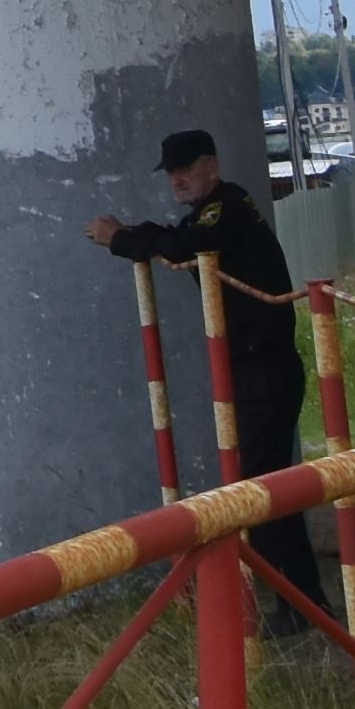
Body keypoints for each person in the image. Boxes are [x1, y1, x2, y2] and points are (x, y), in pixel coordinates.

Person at [90, 128, 320, 606]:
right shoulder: (217, 211)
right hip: (256, 369)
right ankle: (300, 602)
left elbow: (181, 245)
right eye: (171, 172)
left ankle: (292, 606)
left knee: (259, 497)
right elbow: (180, 241)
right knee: (268, 492)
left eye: (185, 169)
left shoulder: (224, 209)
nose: (176, 180)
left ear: (210, 167)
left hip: (263, 371)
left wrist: (121, 239)